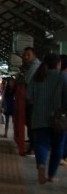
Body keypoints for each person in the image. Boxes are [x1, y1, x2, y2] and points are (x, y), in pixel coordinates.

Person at [26, 53, 67, 184]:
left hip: (39, 117)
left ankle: (41, 165)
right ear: (59, 64)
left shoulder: (37, 77)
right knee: (57, 147)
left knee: (41, 143)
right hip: (58, 119)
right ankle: (51, 176)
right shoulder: (63, 77)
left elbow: (28, 96)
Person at [18, 47, 41, 156]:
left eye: (28, 55)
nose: (26, 57)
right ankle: (33, 144)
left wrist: (20, 79)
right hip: (34, 100)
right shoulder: (35, 65)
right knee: (30, 124)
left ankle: (32, 147)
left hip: (33, 101)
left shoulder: (35, 66)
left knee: (31, 124)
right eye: (25, 55)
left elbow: (26, 80)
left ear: (34, 55)